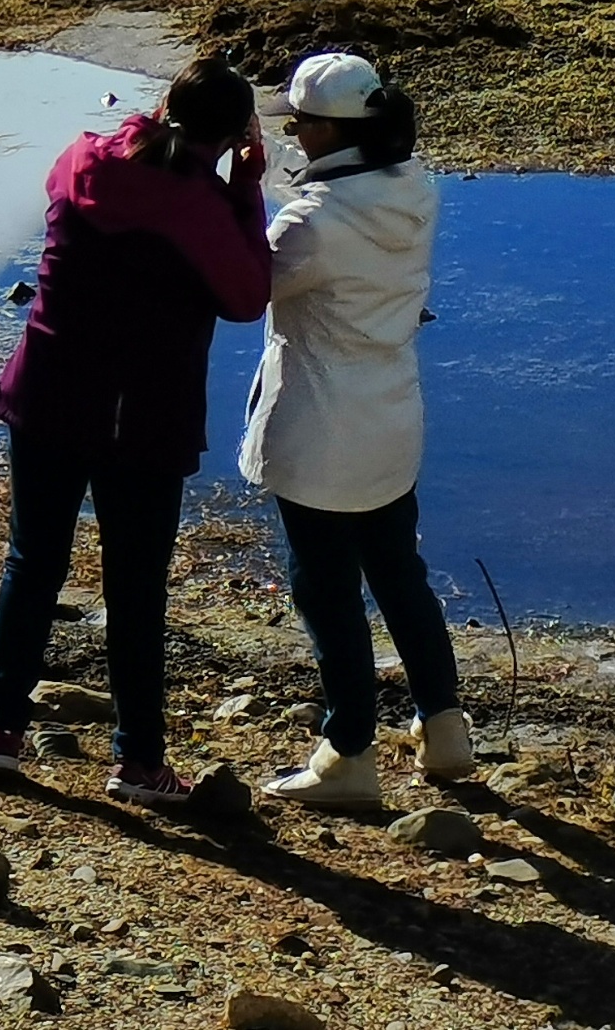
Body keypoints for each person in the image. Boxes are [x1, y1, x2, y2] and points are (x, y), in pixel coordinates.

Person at [0, 53, 271, 802]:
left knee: (31, 562)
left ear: (165, 102)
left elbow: (75, 188)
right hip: (144, 415)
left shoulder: (79, 158)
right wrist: (247, 189)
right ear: (233, 135)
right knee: (135, 589)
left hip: (46, 391)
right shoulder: (201, 202)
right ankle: (137, 760)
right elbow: (245, 297)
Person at [241, 49, 482, 806]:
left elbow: (244, 284)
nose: (293, 135)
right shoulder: (413, 188)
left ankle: (347, 754)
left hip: (318, 421)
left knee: (325, 589)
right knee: (395, 571)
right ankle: (443, 726)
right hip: (389, 411)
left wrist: (236, 193)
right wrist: (276, 171)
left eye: (298, 124)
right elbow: (333, 193)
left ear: (325, 129)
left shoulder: (311, 224)